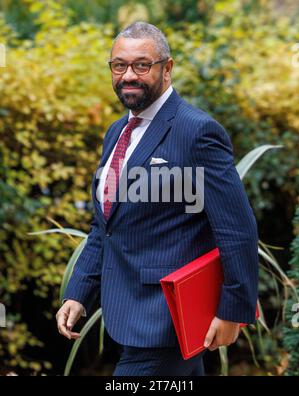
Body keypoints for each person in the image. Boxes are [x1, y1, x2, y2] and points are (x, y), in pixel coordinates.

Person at [56, 21, 259, 376]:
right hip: (128, 313)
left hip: (165, 319)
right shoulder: (116, 132)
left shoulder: (196, 132)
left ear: (167, 68)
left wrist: (232, 311)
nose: (128, 75)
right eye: (119, 65)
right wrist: (78, 291)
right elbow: (105, 225)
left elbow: (237, 229)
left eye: (141, 65)